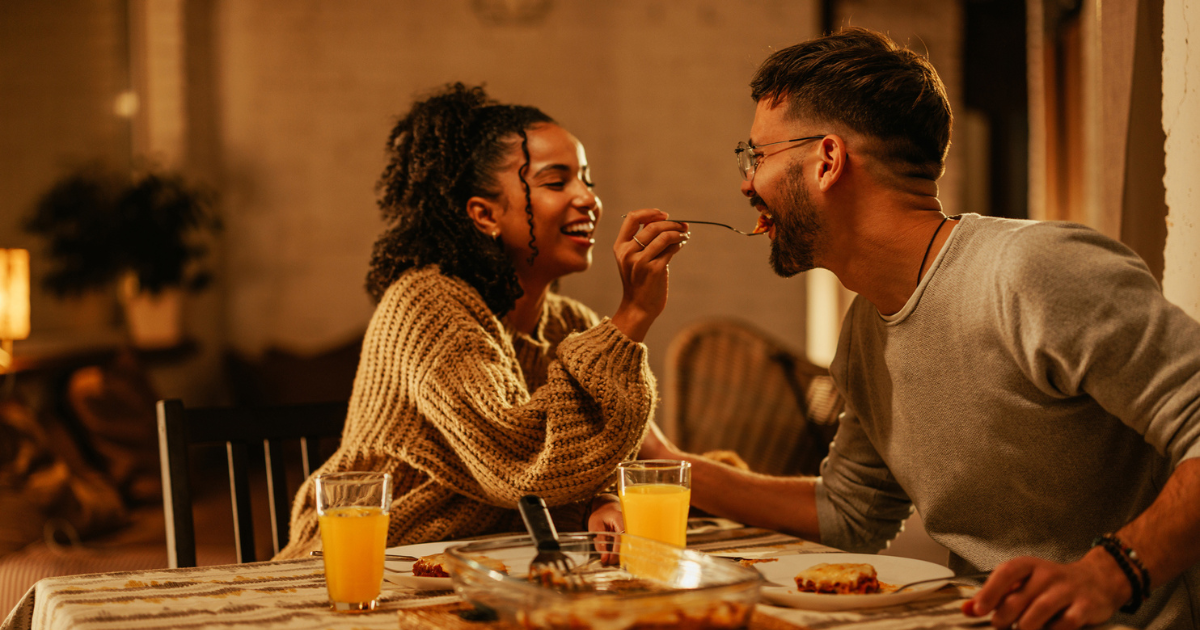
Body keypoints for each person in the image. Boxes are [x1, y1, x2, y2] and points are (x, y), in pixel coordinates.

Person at [639, 28, 1200, 630]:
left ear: (827, 160)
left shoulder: (1032, 271)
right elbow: (851, 511)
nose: (747, 182)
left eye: (759, 156)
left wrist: (1107, 574)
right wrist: (665, 462)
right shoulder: (864, 332)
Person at [276, 83, 689, 558]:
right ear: (485, 214)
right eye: (557, 182)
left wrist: (597, 504)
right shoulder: (427, 306)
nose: (588, 199)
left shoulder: (568, 325)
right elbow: (522, 468)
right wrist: (633, 314)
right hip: (360, 567)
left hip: (484, 569)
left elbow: (577, 469)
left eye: (587, 180)